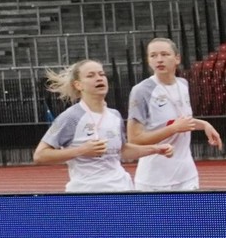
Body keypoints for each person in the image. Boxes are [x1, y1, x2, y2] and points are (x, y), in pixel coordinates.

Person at [34, 59, 171, 190]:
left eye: (102, 74)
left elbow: (122, 150)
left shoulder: (115, 115)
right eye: (91, 75)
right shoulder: (71, 117)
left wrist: (156, 149)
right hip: (87, 193)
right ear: (78, 85)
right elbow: (40, 155)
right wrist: (81, 150)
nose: (99, 78)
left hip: (121, 189)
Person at [126, 36, 223, 190]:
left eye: (165, 54)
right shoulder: (142, 91)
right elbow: (134, 139)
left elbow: (181, 121)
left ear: (177, 58)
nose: (159, 60)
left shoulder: (183, 84)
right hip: (154, 179)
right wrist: (173, 129)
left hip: (186, 175)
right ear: (148, 61)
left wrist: (204, 124)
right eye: (153, 56)